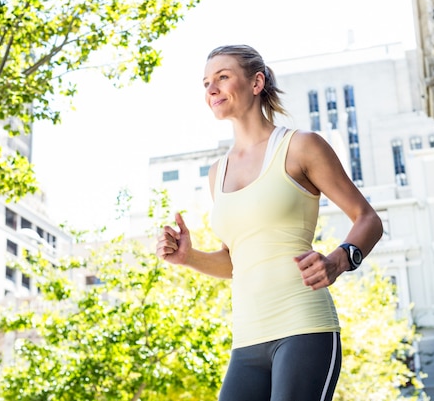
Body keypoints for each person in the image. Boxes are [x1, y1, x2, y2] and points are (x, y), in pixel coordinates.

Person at [156, 44, 383, 401]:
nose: (211, 89)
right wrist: (188, 256)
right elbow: (237, 261)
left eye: (222, 77)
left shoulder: (301, 147)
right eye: (205, 83)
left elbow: (367, 219)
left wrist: (338, 261)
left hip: (304, 327)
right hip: (247, 340)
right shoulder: (218, 173)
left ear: (256, 81)